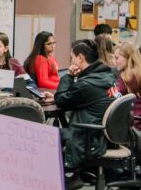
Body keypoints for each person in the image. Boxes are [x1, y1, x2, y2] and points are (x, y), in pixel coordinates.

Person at [42, 39, 118, 176]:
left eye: (72, 58)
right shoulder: (106, 75)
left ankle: (62, 178)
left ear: (80, 58)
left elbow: (61, 100)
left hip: (86, 137)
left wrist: (69, 76)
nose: (71, 62)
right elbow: (84, 98)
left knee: (44, 135)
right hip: (102, 134)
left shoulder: (87, 84)